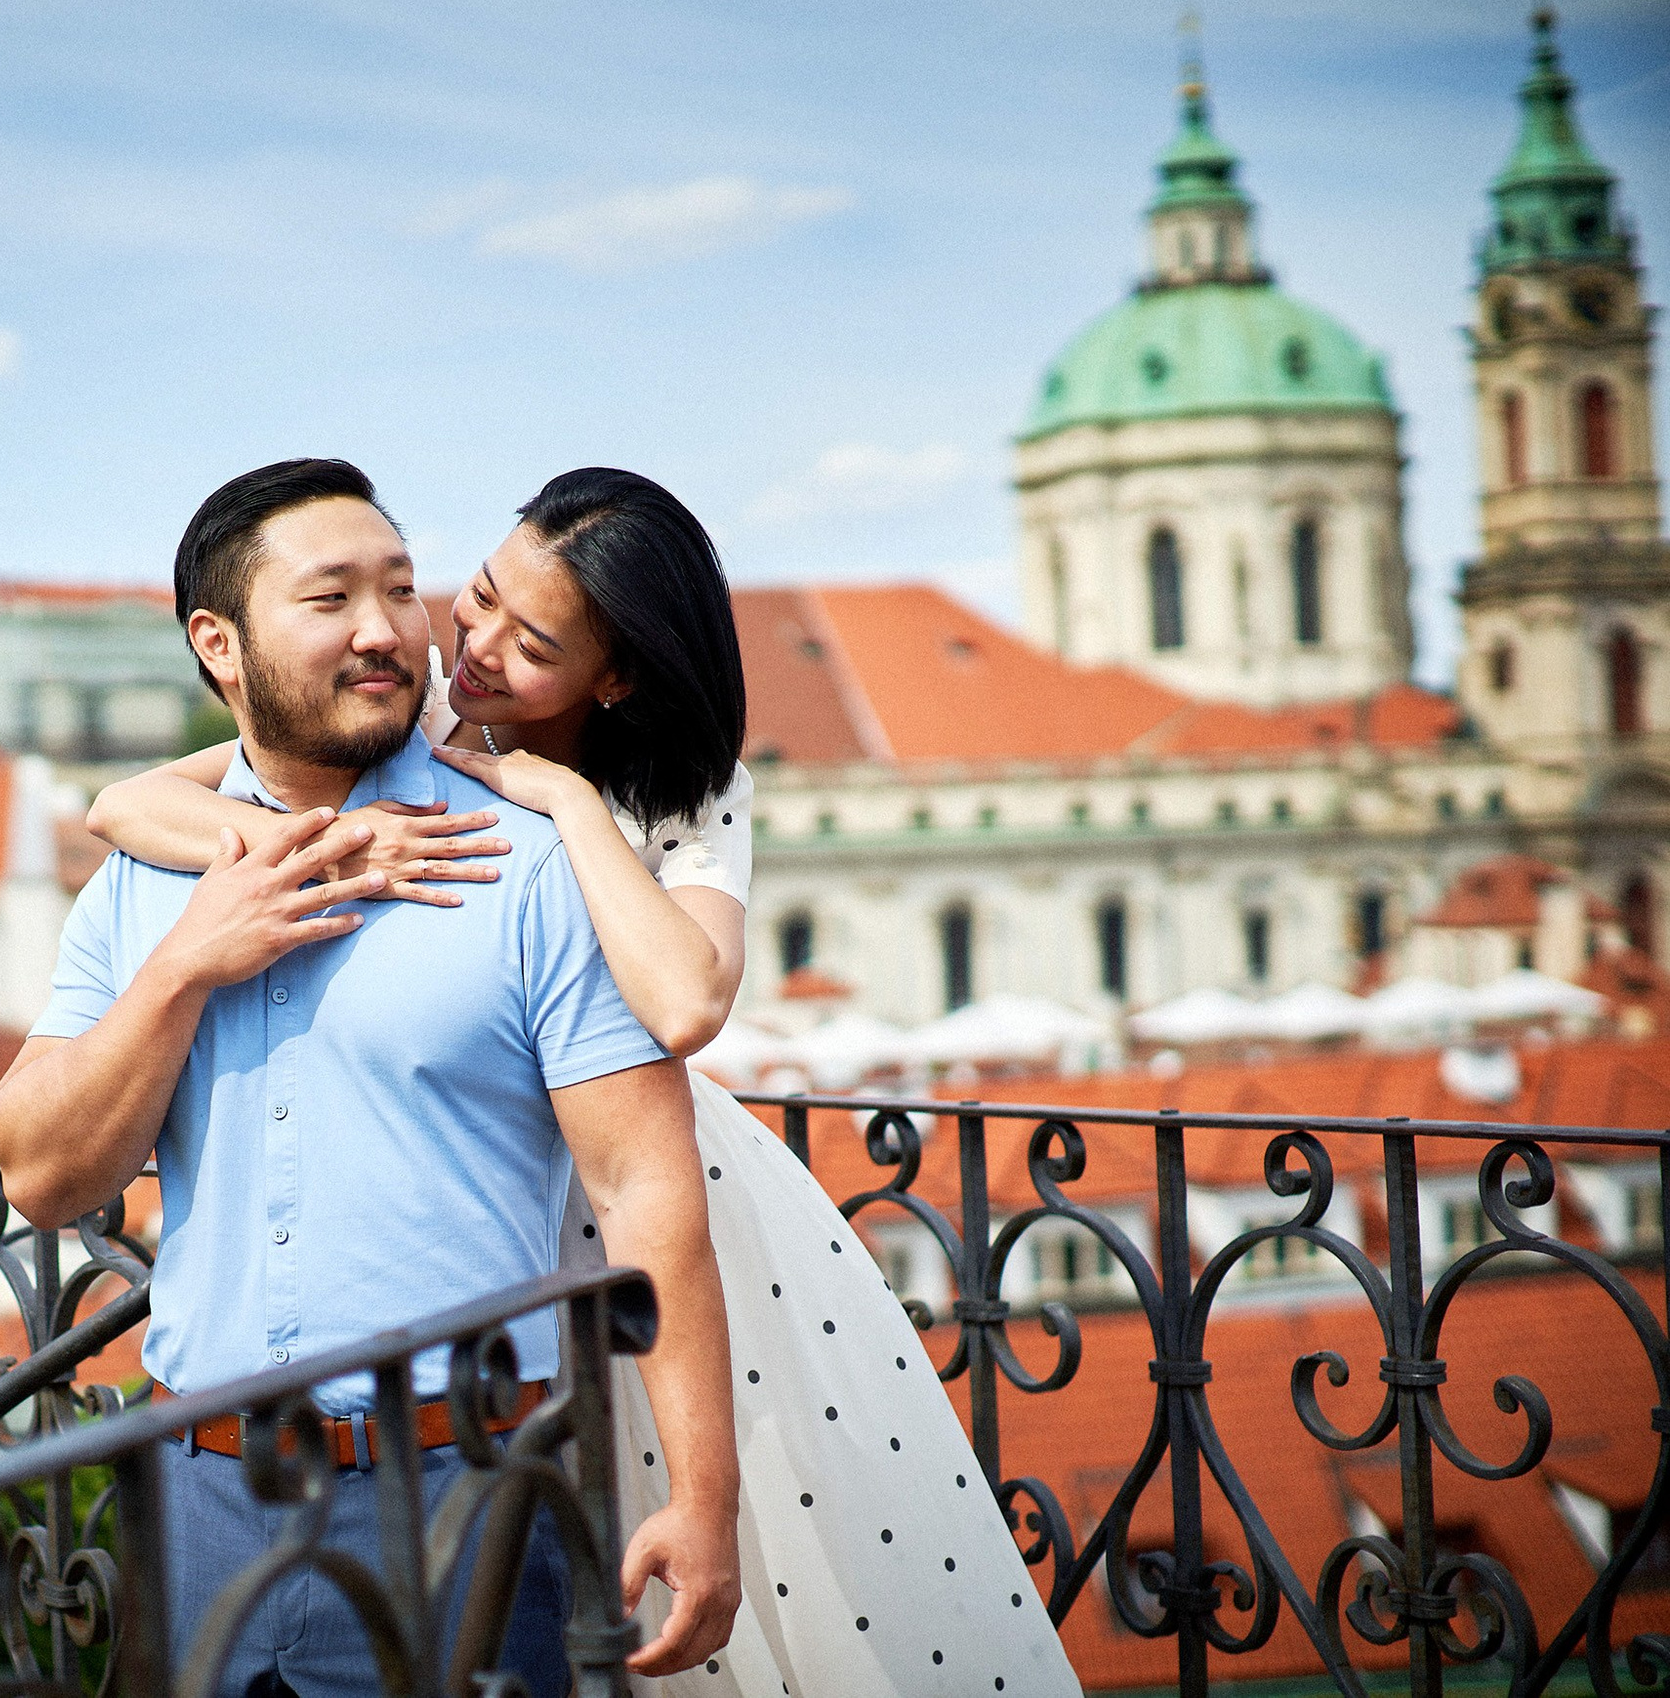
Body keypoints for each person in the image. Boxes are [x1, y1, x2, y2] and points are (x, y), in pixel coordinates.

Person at [89, 466, 1083, 1697]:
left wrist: (563, 803)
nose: (477, 648)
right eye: (479, 595)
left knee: (763, 1562)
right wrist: (328, 846)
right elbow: (122, 802)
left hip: (646, 1177)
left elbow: (681, 1003)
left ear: (611, 677)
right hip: (498, 1201)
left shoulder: (683, 789)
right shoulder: (423, 715)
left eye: (532, 637)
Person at [0, 458, 743, 1698]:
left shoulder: (540, 863)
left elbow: (648, 1197)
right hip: (193, 1496)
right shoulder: (144, 883)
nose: (388, 629)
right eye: (330, 598)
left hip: (465, 1500)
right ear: (218, 643)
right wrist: (184, 968)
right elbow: (37, 1171)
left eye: (399, 588)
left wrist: (706, 1504)